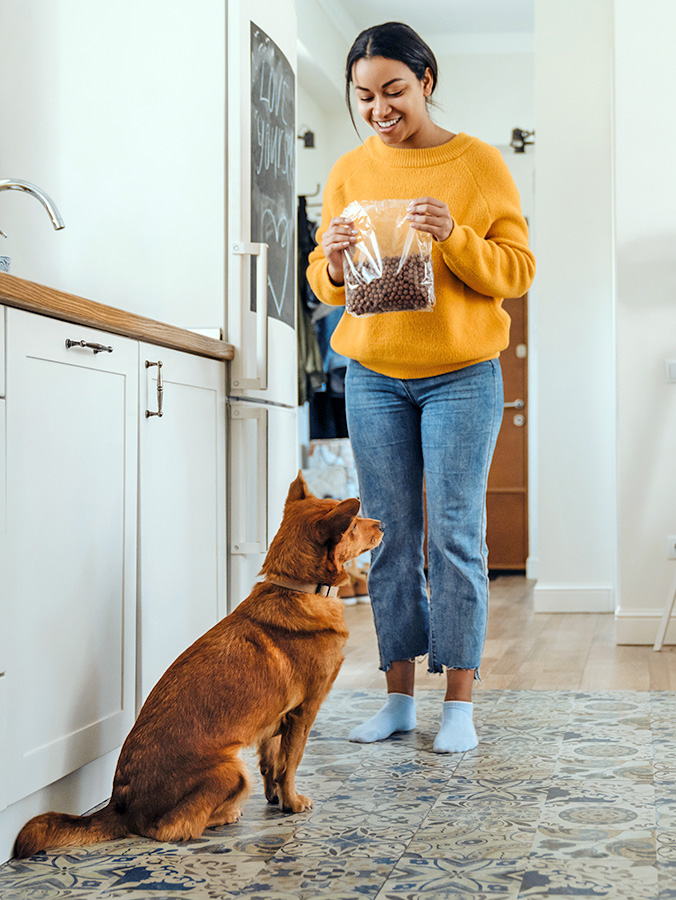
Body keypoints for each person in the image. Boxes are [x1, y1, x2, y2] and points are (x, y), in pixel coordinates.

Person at [306, 22, 535, 753]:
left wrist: (456, 237)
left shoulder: (477, 164)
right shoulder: (347, 170)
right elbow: (324, 280)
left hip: (462, 377)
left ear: (426, 79)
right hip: (373, 377)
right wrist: (334, 262)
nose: (379, 108)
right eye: (365, 95)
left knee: (456, 535)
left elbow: (518, 270)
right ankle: (399, 700)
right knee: (390, 538)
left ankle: (459, 705)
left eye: (394, 90)